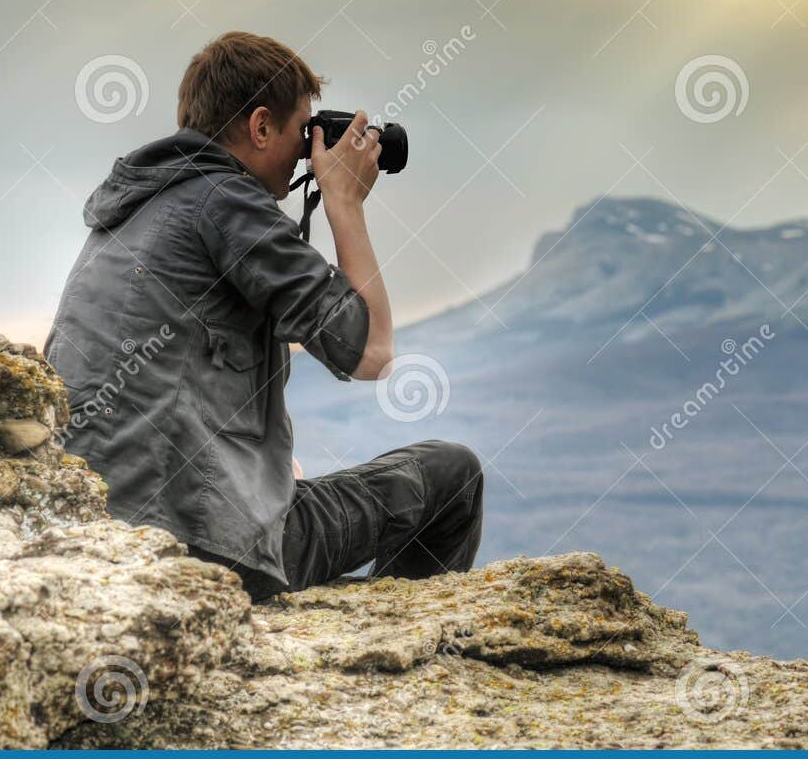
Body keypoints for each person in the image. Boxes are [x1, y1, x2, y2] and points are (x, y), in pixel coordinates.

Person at [44, 31, 482, 600]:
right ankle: (397, 647)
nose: (309, 147)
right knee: (453, 475)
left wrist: (264, 473)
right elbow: (372, 353)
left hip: (101, 531)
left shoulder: (133, 209)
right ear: (259, 127)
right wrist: (344, 202)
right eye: (303, 129)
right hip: (199, 545)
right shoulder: (225, 204)